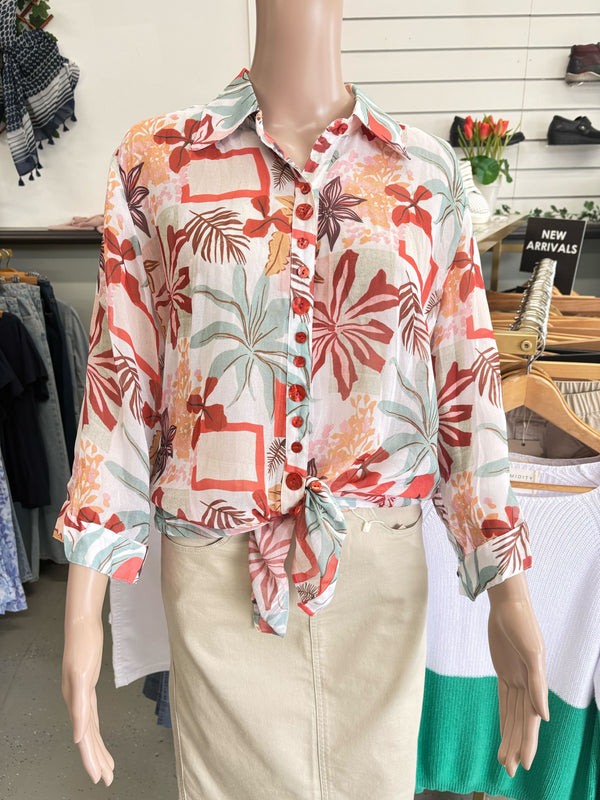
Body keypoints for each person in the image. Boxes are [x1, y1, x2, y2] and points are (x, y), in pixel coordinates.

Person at [57, 2, 549, 798]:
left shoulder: (426, 173)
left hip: (379, 573)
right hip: (217, 576)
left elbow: (468, 386)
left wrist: (510, 593)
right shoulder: (158, 160)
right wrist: (83, 606)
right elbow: (120, 383)